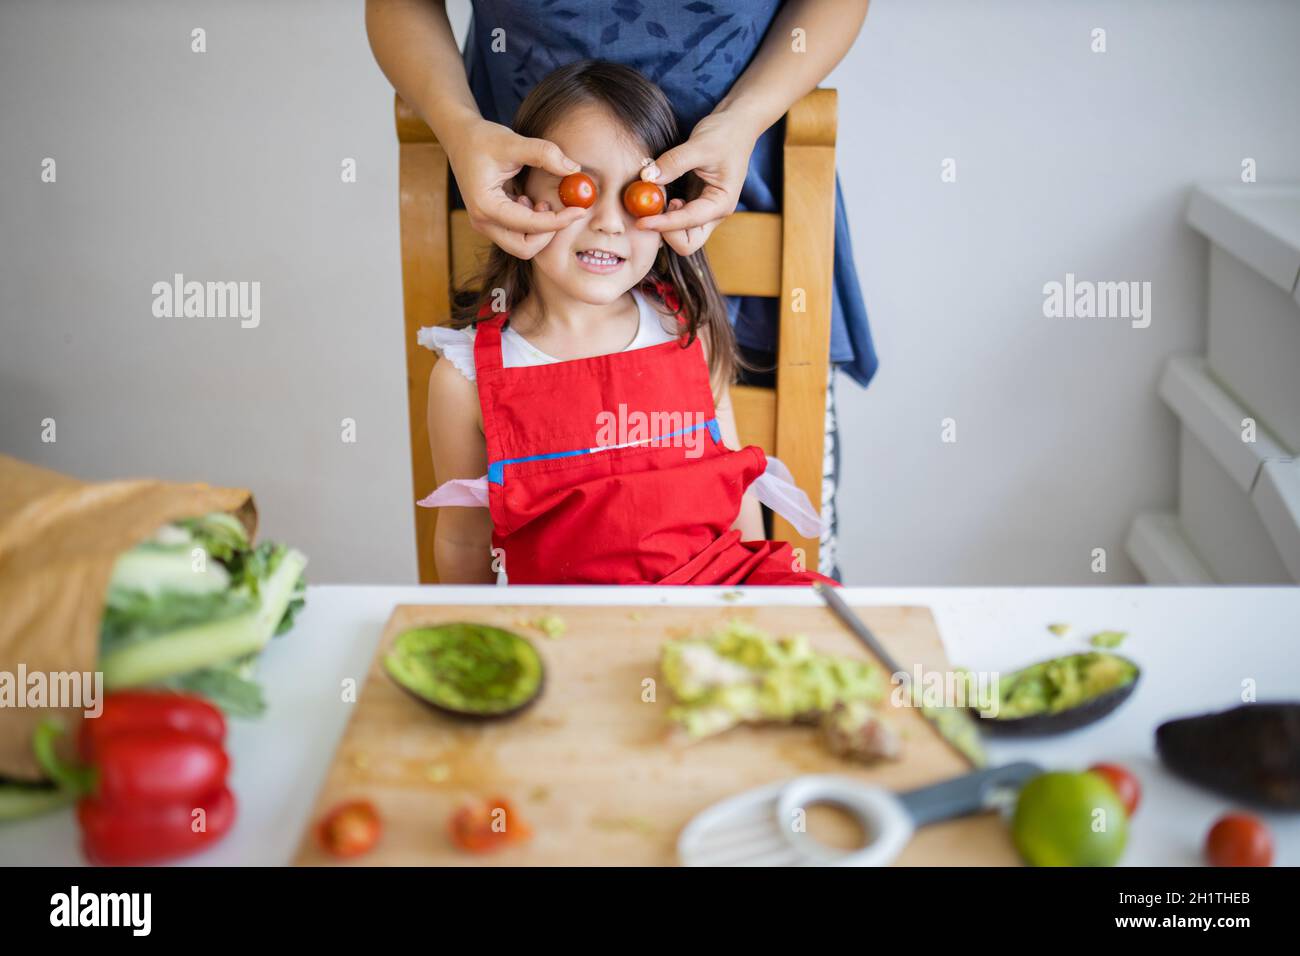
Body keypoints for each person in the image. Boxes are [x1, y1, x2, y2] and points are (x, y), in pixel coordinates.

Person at [367, 0, 875, 580]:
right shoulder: (463, 380)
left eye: (639, 195)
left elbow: (735, 500)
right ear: (520, 189)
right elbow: (463, 548)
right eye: (580, 188)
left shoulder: (691, 333)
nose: (610, 222)